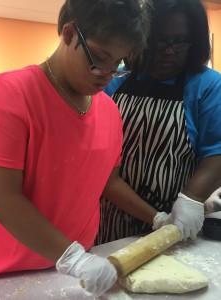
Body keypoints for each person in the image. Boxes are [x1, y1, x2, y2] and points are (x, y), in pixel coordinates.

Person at [0, 0, 154, 297]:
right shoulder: (10, 95)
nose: (105, 74)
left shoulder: (108, 111)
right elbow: (0, 196)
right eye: (99, 58)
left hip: (79, 272)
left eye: (117, 64)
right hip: (7, 275)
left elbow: (109, 181)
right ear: (68, 34)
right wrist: (72, 257)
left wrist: (156, 217)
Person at [97, 0, 221, 245]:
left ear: (193, 42)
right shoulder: (116, 81)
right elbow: (102, 166)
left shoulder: (207, 86)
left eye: (179, 42)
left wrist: (191, 200)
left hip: (178, 222)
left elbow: (216, 151)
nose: (168, 51)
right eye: (159, 42)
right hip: (109, 217)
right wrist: (156, 218)